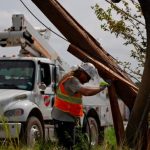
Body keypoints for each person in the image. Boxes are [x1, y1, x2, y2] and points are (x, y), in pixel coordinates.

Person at [51, 62, 109, 149]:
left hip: (66, 119)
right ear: (82, 73)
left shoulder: (73, 80)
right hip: (62, 119)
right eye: (88, 77)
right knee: (67, 146)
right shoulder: (72, 80)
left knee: (72, 145)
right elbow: (86, 91)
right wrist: (101, 88)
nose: (88, 80)